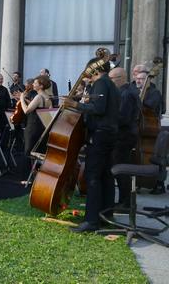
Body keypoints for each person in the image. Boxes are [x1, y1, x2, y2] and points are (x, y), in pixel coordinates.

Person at [64, 57, 119, 233]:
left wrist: (75, 104)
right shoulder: (111, 84)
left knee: (93, 176)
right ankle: (105, 215)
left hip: (100, 136)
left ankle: (91, 221)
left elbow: (99, 108)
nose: (86, 73)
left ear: (94, 70)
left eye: (88, 70)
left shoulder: (101, 83)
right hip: (109, 135)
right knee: (105, 175)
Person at [108, 67, 141, 206]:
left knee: (121, 169)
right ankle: (124, 200)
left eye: (111, 79)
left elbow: (123, 118)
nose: (109, 82)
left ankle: (125, 202)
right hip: (125, 135)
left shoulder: (126, 94)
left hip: (124, 136)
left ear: (121, 78)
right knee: (120, 168)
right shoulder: (125, 92)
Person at [19, 75, 52, 176]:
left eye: (35, 83)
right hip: (42, 128)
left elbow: (27, 111)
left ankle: (27, 177)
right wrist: (28, 101)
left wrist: (21, 99)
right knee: (39, 152)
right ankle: (37, 175)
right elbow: (45, 112)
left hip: (33, 127)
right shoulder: (48, 98)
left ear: (41, 86)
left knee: (29, 152)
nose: (33, 84)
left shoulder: (38, 97)